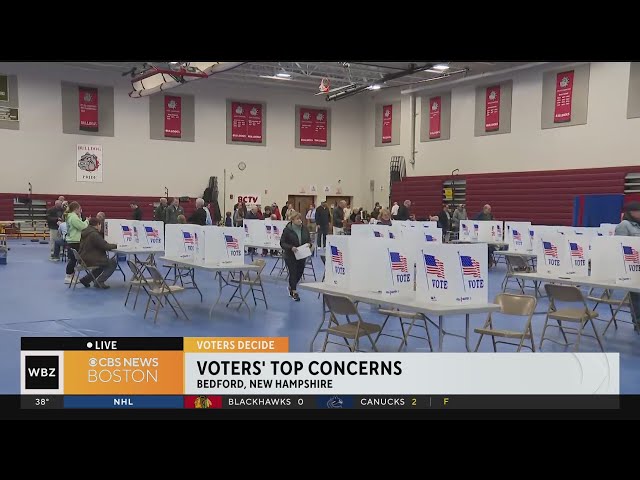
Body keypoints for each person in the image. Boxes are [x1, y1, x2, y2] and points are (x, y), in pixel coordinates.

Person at [616, 202, 640, 330]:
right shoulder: (624, 225)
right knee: (636, 296)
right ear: (631, 212)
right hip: (630, 266)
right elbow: (619, 246)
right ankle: (638, 322)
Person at [77, 218, 118, 289]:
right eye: (100, 225)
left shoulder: (86, 231)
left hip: (84, 257)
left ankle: (86, 280)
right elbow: (105, 245)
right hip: (90, 258)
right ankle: (100, 281)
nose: (100, 227)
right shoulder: (94, 234)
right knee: (112, 262)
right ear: (97, 225)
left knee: (102, 264)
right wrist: (116, 245)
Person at [280, 212, 311, 302]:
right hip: (290, 255)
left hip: (302, 254)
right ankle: (294, 291)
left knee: (299, 272)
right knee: (293, 272)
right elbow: (282, 243)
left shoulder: (304, 229)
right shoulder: (287, 230)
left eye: (300, 219)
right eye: (297, 219)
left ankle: (291, 286)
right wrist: (291, 247)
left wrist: (309, 244)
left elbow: (308, 239)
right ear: (292, 220)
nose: (299, 220)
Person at [64, 202, 89, 284]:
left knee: (74, 259)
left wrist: (80, 217)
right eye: (79, 209)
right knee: (73, 259)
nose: (80, 210)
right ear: (76, 209)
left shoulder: (70, 216)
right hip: (74, 240)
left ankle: (71, 275)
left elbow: (79, 223)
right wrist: (87, 221)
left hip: (72, 239)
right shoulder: (73, 217)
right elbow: (82, 226)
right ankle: (68, 276)